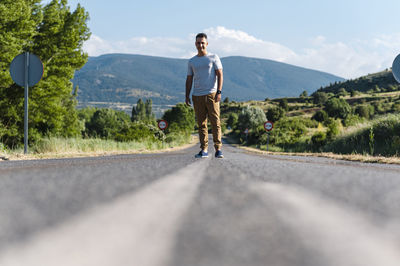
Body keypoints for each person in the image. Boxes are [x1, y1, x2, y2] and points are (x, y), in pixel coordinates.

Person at [186, 33, 224, 158]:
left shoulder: (213, 57)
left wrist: (219, 92)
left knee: (215, 122)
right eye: (198, 43)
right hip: (197, 96)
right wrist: (187, 96)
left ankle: (218, 149)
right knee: (201, 124)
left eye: (202, 42)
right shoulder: (192, 61)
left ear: (206, 44)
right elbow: (189, 79)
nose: (200, 45)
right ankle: (204, 150)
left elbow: (220, 75)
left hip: (212, 94)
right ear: (195, 44)